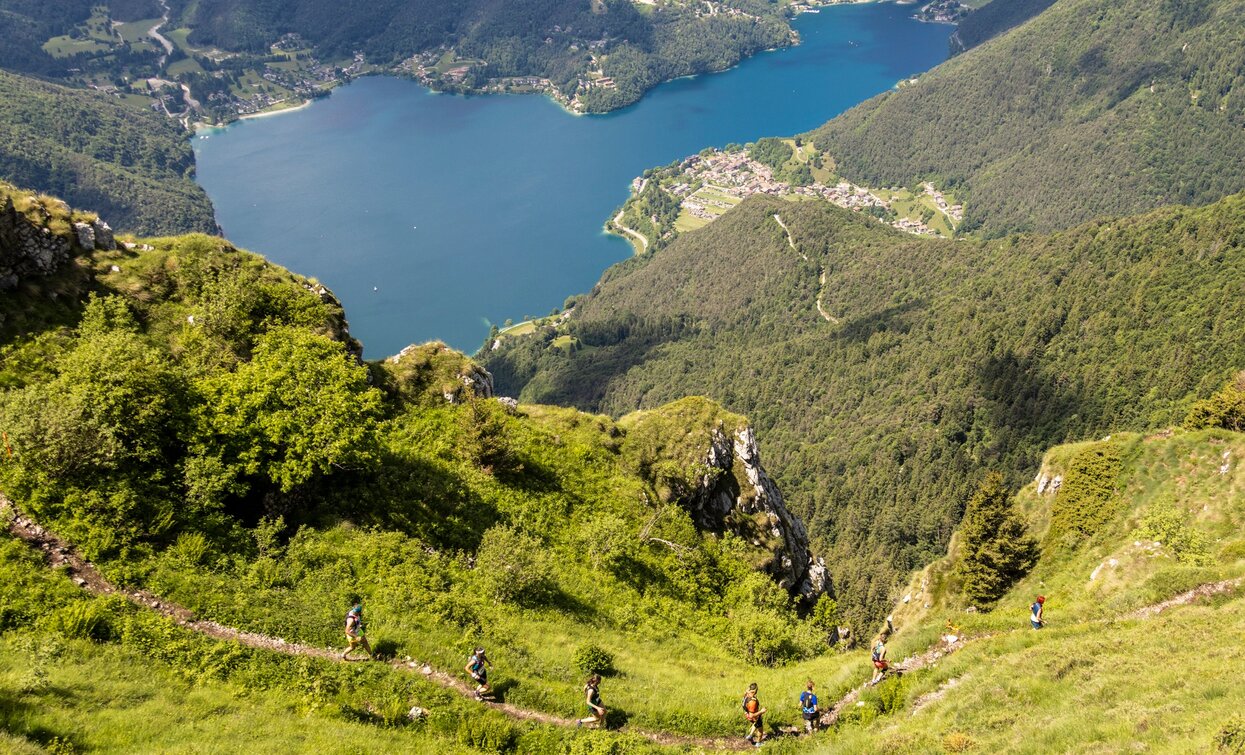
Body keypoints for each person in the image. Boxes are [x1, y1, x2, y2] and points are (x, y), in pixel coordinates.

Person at [742, 682, 767, 747]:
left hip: (747, 714)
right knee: (760, 730)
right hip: (753, 716)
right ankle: (758, 743)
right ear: (755, 691)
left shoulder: (746, 694)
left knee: (755, 724)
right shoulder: (752, 702)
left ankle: (750, 735)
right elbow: (751, 715)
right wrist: (761, 711)